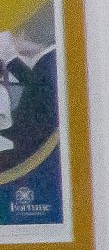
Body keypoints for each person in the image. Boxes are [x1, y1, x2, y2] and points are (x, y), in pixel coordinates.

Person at [0, 22, 62, 217]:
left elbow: (37, 99)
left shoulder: (49, 64)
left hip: (26, 156)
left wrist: (11, 57)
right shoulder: (48, 62)